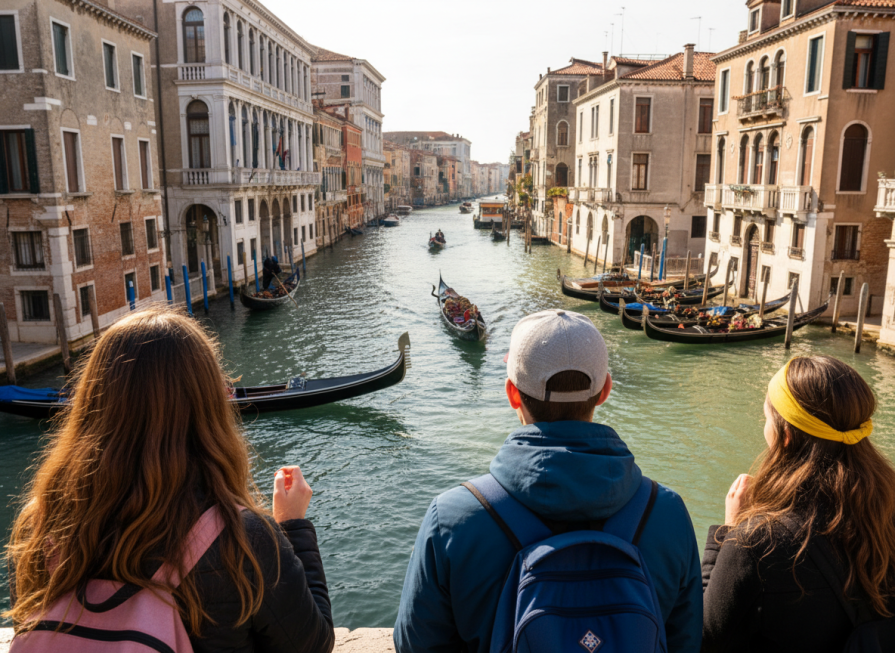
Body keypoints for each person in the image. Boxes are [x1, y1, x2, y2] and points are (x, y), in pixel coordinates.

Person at [4, 308, 334, 653]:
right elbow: (314, 644)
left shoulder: (38, 523)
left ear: (92, 401)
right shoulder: (245, 539)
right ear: (206, 405)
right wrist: (292, 525)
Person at [394, 309, 702, 653]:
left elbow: (416, 645)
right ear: (605, 391)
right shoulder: (668, 513)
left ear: (513, 393)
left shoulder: (452, 518)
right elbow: (686, 641)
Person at [702, 356, 895, 653]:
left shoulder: (756, 543)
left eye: (767, 417)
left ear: (787, 435)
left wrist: (728, 532)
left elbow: (704, 636)